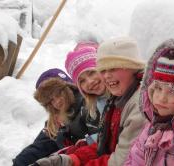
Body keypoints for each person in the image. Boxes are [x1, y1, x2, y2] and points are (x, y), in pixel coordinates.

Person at [61, 36, 147, 166]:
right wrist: (75, 157)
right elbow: (109, 142)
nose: (90, 82)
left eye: (91, 73)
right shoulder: (113, 100)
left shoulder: (137, 102)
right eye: (82, 80)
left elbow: (123, 158)